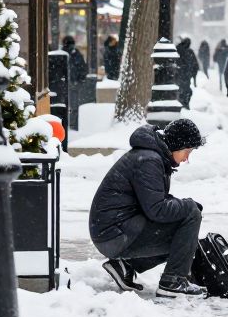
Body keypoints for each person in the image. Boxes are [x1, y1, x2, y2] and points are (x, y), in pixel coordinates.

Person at [89, 118, 207, 298]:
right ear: (178, 145)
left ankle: (125, 267)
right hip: (113, 233)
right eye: (187, 151)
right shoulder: (149, 160)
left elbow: (153, 202)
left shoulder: (152, 156)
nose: (186, 158)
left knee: (183, 233)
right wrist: (188, 207)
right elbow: (157, 209)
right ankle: (172, 282)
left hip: (115, 230)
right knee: (190, 215)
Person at [175, 37, 200, 109]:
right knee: (186, 92)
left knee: (182, 91)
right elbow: (195, 66)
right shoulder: (189, 52)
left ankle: (183, 105)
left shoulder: (177, 50)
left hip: (179, 76)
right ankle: (184, 105)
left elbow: (195, 65)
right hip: (185, 76)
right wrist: (193, 75)